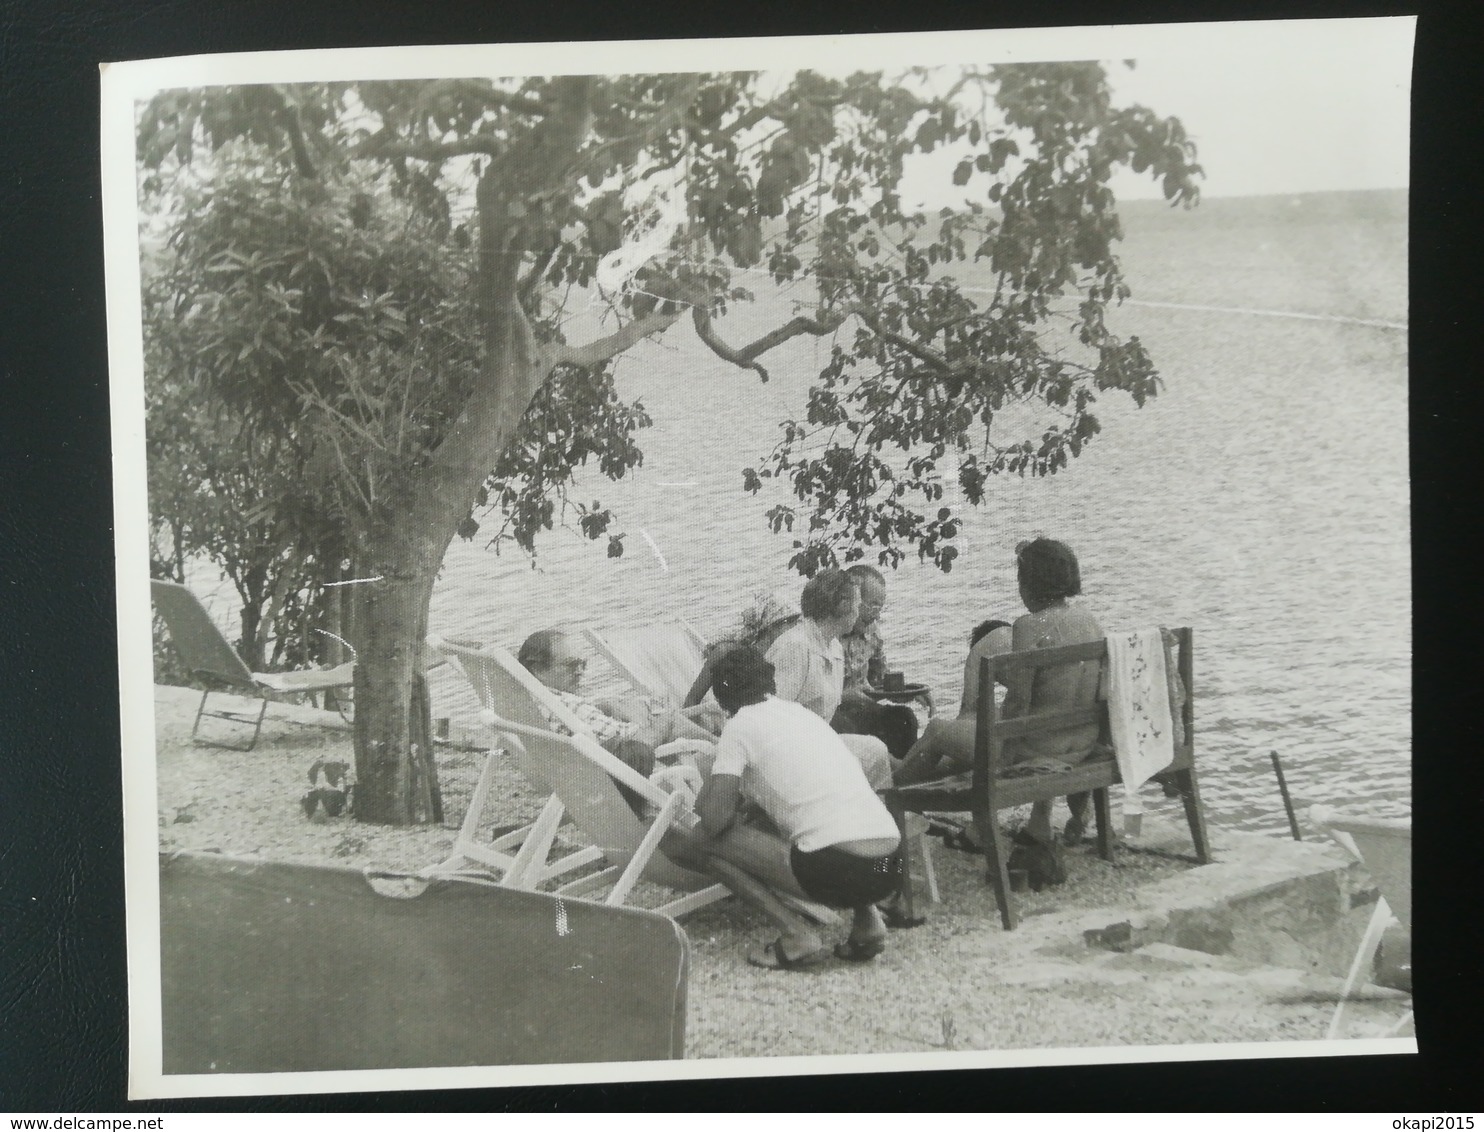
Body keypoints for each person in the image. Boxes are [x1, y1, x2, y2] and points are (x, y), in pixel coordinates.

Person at [667, 646, 905, 970]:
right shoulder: (800, 715)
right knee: (823, 822)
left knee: (701, 843)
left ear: (722, 697)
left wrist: (714, 794)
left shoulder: (739, 728)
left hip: (844, 873)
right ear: (769, 680)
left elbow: (713, 822)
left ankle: (796, 935)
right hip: (889, 866)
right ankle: (868, 922)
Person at [896, 539, 1104, 885]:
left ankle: (887, 801)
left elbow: (1018, 708)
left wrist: (982, 741)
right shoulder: (1090, 621)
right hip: (1080, 745)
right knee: (957, 751)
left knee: (936, 730)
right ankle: (914, 797)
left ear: (1029, 582)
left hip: (1034, 752)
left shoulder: (1028, 626)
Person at [517, 629, 716, 783]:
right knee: (672, 722)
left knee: (625, 706)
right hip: (638, 782)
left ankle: (721, 746)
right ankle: (727, 752)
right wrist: (664, 720)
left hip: (602, 780)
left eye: (582, 664)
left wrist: (611, 706)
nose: (580, 672)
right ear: (539, 670)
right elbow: (634, 749)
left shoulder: (533, 705)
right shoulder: (564, 707)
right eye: (571, 665)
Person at [764, 570, 895, 788]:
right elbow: (770, 717)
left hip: (813, 744)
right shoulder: (795, 646)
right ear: (843, 606)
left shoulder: (832, 647)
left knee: (875, 750)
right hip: (787, 752)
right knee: (872, 752)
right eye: (858, 603)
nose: (858, 610)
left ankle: (881, 815)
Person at [830, 564, 922, 759]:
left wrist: (909, 692)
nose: (877, 615)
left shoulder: (872, 632)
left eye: (880, 607)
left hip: (863, 709)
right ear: (852, 600)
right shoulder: (829, 633)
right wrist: (846, 695)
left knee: (904, 719)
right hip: (831, 713)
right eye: (872, 606)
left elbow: (880, 683)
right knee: (849, 727)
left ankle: (903, 781)